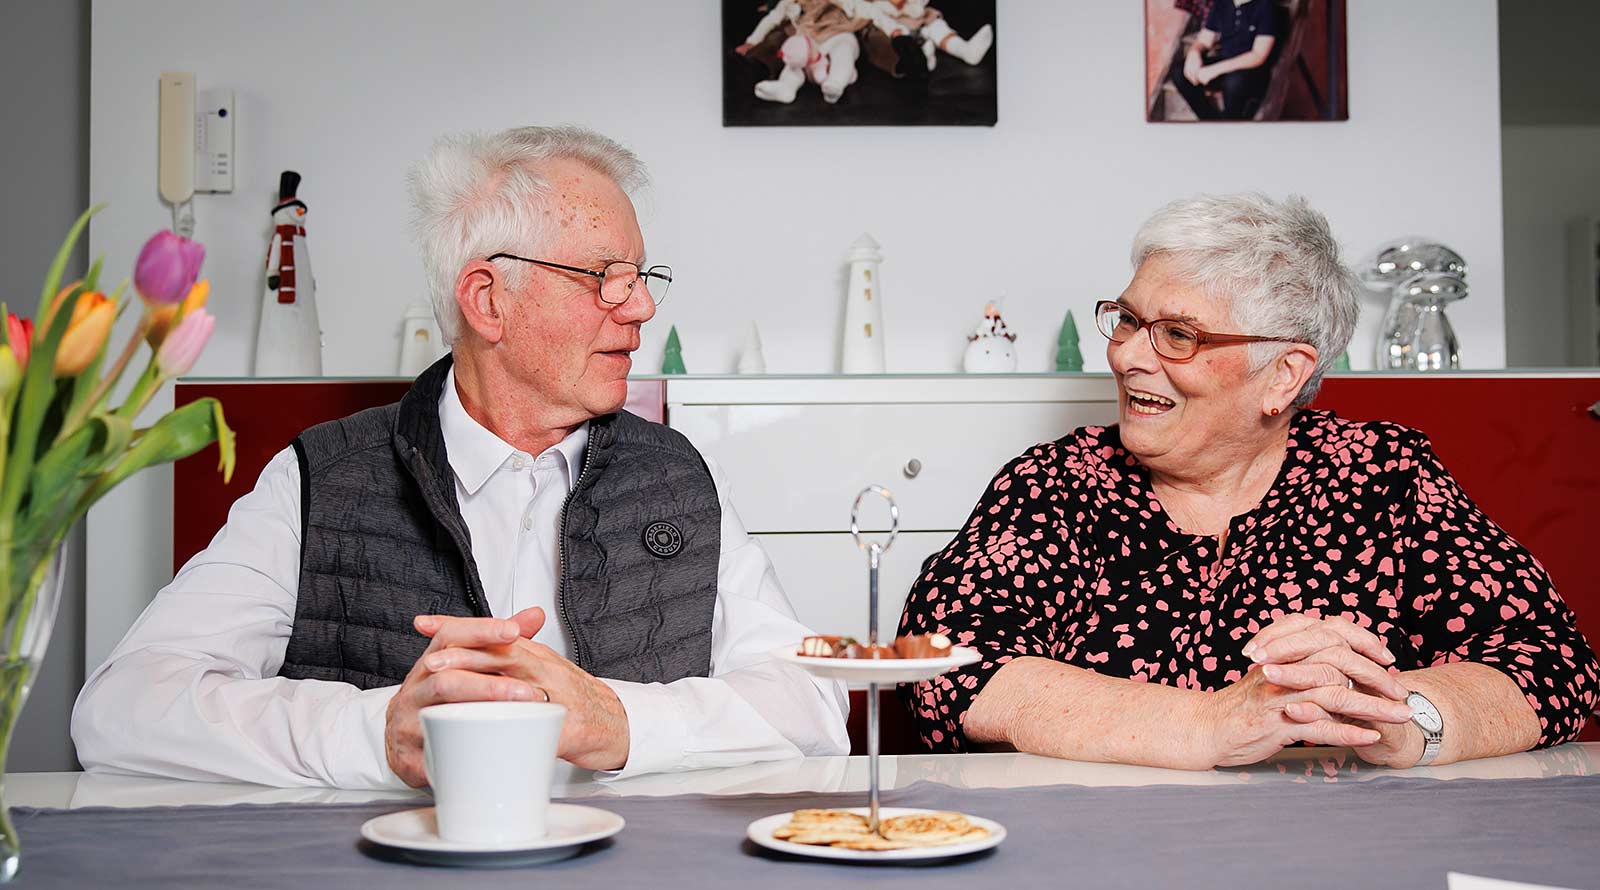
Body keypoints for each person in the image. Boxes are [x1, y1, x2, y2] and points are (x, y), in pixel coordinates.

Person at [72, 126, 850, 789]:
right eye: (604, 278)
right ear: (487, 300)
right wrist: (377, 734)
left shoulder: (676, 477)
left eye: (641, 278)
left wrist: (617, 722)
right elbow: (122, 710)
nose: (640, 305)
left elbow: (815, 706)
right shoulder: (325, 477)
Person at [898, 193, 1598, 770]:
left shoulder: (1386, 479)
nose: (1129, 358)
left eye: (1179, 335)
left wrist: (1402, 718)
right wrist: (1207, 724)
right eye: (1130, 320)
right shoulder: (1057, 485)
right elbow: (940, 665)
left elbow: (1551, 662)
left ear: (1284, 375)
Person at [1170, 0, 1279, 120]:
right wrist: (1194, 53)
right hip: (1226, 64)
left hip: (1253, 70)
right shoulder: (1222, 3)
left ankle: (1231, 123)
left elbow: (1258, 56)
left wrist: (1214, 70)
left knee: (1234, 83)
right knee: (1179, 72)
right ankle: (1210, 120)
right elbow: (1204, 40)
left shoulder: (1266, 6)